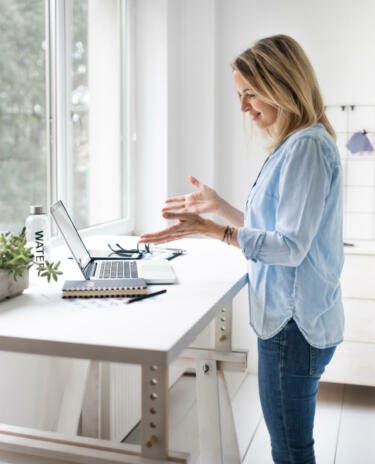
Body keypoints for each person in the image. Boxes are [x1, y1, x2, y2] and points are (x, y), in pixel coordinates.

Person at [138, 34, 343, 464]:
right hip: (296, 321)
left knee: (289, 448)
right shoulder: (297, 144)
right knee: (289, 443)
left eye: (250, 93)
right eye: (239, 95)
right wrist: (221, 208)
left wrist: (212, 230)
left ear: (281, 83)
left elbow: (288, 248)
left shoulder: (305, 146)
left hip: (294, 326)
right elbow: (272, 229)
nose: (244, 106)